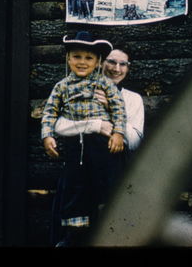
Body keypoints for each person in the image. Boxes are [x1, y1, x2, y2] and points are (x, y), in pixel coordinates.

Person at [49, 46, 145, 245]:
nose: (116, 68)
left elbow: (134, 141)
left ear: (128, 68)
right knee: (76, 231)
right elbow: (58, 125)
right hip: (79, 171)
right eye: (111, 62)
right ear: (101, 63)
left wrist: (111, 109)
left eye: (122, 64)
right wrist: (95, 124)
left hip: (112, 171)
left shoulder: (132, 99)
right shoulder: (78, 88)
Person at [41, 31, 127, 246]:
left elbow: (118, 109)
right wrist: (47, 136)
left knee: (103, 185)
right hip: (75, 147)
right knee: (76, 188)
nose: (82, 62)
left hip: (101, 146)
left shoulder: (105, 84)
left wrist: (118, 133)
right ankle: (75, 235)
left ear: (98, 61)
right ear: (68, 58)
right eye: (77, 56)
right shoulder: (62, 87)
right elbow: (50, 113)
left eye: (88, 58)